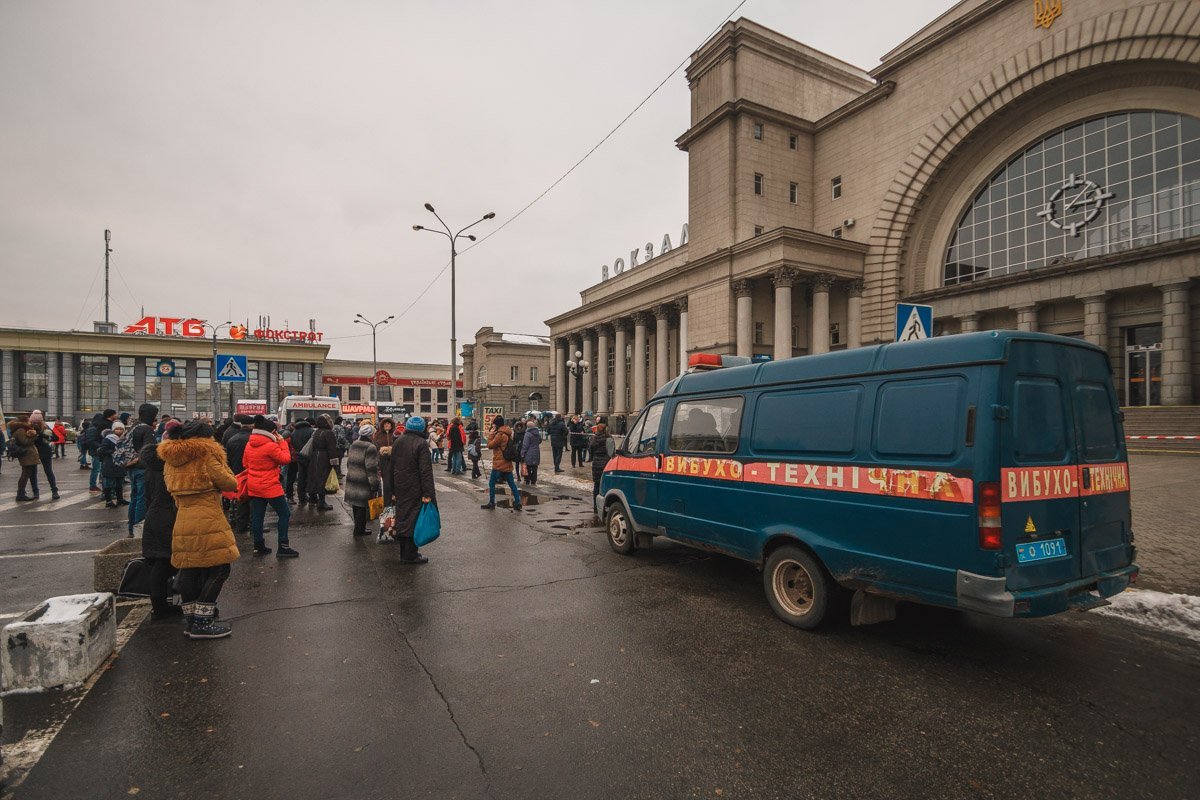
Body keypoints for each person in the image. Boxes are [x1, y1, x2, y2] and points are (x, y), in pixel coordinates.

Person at [158, 420, 239, 639]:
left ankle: (192, 619)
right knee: (220, 568)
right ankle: (203, 621)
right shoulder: (206, 454)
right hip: (208, 516)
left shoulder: (171, 458)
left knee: (189, 567)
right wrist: (223, 463)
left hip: (183, 516)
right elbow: (230, 483)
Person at [139, 422, 181, 621]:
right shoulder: (172, 464)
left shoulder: (151, 462)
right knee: (166, 560)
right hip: (169, 513)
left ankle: (159, 604)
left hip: (154, 513)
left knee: (159, 560)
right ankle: (162, 606)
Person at [243, 415, 298, 558]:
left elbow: (245, 463)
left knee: (258, 516)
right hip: (270, 485)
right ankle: (283, 547)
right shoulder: (270, 446)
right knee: (284, 514)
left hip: (254, 484)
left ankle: (258, 546)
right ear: (271, 432)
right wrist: (282, 443)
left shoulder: (249, 444)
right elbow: (285, 459)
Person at [391, 416, 434, 564]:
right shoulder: (421, 443)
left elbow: (392, 466)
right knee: (413, 519)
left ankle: (404, 552)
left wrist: (392, 489)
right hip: (415, 487)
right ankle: (410, 555)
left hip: (400, 486)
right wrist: (427, 493)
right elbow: (425, 471)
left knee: (402, 518)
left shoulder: (398, 441)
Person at [125, 403, 158, 536]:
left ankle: (131, 528)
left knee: (134, 498)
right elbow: (149, 451)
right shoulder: (147, 429)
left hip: (131, 467)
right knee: (142, 499)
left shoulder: (133, 427)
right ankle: (140, 529)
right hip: (143, 468)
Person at [345, 422, 381, 537]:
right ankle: (359, 530)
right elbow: (371, 468)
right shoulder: (370, 447)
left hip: (353, 478)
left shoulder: (354, 444)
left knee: (356, 505)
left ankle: (358, 528)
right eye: (374, 433)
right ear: (370, 435)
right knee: (362, 506)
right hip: (363, 480)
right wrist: (374, 484)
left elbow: (349, 463)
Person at [481, 415, 522, 511]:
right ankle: (518, 502)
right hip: (507, 462)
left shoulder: (500, 435)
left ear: (497, 425)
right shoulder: (508, 433)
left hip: (499, 463)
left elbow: (490, 445)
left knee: (492, 483)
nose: (493, 426)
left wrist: (491, 434)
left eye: (494, 424)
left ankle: (492, 502)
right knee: (511, 484)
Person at [222, 414, 254, 533]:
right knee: (253, 500)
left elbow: (227, 457)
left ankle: (240, 525)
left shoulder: (232, 438)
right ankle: (253, 524)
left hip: (236, 472)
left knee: (240, 499)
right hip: (250, 472)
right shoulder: (252, 439)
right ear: (252, 425)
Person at [304, 415, 338, 511]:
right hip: (324, 458)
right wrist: (335, 464)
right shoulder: (329, 433)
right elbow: (332, 449)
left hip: (315, 457)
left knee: (314, 478)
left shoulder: (316, 432)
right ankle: (322, 502)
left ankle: (313, 499)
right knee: (323, 479)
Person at [7, 416, 43, 501]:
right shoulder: (20, 430)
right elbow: (25, 442)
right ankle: (20, 494)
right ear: (24, 421)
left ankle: (21, 493)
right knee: (25, 475)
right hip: (26, 454)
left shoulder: (22, 429)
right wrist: (34, 436)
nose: (30, 422)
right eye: (28, 421)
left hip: (28, 454)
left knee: (27, 474)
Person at [27, 410, 61, 500]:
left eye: (37, 422)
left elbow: (55, 438)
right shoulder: (29, 428)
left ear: (40, 421)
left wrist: (41, 434)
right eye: (33, 422)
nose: (35, 424)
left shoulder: (45, 427)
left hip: (45, 452)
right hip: (33, 452)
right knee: (33, 473)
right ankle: (35, 492)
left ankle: (54, 490)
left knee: (48, 471)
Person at [96, 420, 130, 508]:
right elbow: (103, 450)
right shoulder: (108, 439)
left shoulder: (125, 439)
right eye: (117, 429)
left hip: (120, 464)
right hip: (110, 463)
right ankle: (109, 501)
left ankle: (120, 499)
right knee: (109, 483)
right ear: (113, 430)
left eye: (121, 429)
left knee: (119, 483)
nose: (119, 431)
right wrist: (114, 452)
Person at [82, 409, 117, 492]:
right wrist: (101, 446)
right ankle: (93, 485)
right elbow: (91, 441)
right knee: (96, 469)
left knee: (99, 469)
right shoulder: (93, 428)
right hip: (96, 451)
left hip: (97, 451)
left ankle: (98, 484)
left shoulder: (95, 427)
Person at [289, 417, 315, 504]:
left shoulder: (294, 432)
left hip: (299, 457)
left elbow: (293, 444)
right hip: (310, 457)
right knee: (311, 477)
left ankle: (302, 498)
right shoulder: (311, 431)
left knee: (301, 477)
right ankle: (312, 497)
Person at [373, 418, 397, 506]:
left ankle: (394, 501)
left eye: (389, 424)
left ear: (391, 425)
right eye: (385, 424)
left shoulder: (394, 434)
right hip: (382, 461)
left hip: (394, 461)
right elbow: (375, 446)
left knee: (394, 482)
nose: (387, 425)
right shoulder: (378, 435)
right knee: (386, 483)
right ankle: (387, 502)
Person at [590, 421, 612, 500]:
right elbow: (612, 452)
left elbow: (590, 450)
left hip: (596, 463)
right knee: (606, 484)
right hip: (606, 463)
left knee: (596, 485)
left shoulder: (593, 438)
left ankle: (595, 504)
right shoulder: (609, 439)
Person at [520, 419, 542, 485]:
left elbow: (525, 445)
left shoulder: (527, 434)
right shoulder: (537, 433)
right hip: (536, 452)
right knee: (535, 468)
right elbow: (540, 441)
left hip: (529, 453)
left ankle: (528, 480)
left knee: (528, 467)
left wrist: (522, 453)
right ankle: (533, 481)